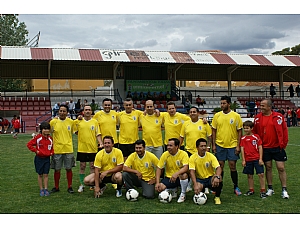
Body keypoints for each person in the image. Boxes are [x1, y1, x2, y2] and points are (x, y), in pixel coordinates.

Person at [253, 98, 289, 199]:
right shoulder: (257, 118)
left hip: (278, 147)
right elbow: (255, 133)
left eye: (263, 106)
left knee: (281, 168)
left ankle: (284, 189)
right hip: (265, 148)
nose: (261, 107)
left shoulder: (278, 117)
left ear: (269, 107)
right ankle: (270, 188)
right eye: (260, 105)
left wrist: (283, 144)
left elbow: (284, 131)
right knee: (268, 168)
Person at [211, 95, 243, 196]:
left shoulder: (236, 116)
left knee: (232, 165)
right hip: (220, 145)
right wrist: (214, 144)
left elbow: (239, 131)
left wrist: (238, 146)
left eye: (224, 103)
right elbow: (214, 130)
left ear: (229, 104)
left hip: (232, 145)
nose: (222, 105)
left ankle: (236, 186)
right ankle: (219, 186)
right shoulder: (217, 116)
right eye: (221, 103)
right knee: (220, 166)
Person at [73, 105, 103, 193]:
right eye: (86, 110)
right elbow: (76, 132)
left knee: (92, 166)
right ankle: (82, 184)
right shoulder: (78, 122)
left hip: (92, 148)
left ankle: (91, 183)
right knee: (82, 166)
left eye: (89, 110)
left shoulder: (95, 122)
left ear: (91, 112)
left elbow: (98, 134)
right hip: (82, 148)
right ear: (83, 111)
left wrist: (100, 142)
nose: (87, 111)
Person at [49, 104, 75, 194]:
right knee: (57, 169)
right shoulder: (53, 122)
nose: (62, 113)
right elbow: (48, 133)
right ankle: (56, 187)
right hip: (57, 149)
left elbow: (75, 132)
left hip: (68, 149)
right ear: (58, 111)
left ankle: (70, 186)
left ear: (67, 112)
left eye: (64, 111)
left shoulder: (71, 122)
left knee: (69, 168)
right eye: (60, 111)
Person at [189, 138, 223, 205]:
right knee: (198, 188)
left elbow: (218, 168)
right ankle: (202, 193)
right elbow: (192, 172)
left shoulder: (210, 156)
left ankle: (217, 197)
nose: (204, 148)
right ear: (197, 147)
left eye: (205, 146)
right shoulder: (193, 157)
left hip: (210, 178)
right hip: (200, 179)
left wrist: (217, 177)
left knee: (219, 179)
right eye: (201, 146)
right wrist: (195, 185)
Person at [155, 138, 189, 203]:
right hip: (169, 178)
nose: (168, 147)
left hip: (180, 177)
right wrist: (157, 182)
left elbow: (186, 168)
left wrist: (177, 174)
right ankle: (173, 189)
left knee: (184, 175)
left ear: (177, 147)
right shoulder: (165, 154)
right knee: (160, 188)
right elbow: (159, 168)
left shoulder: (183, 154)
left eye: (171, 146)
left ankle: (183, 194)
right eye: (167, 145)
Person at [240, 121, 266, 198]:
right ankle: (251, 190)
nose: (246, 130)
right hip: (248, 159)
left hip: (256, 158)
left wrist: (260, 158)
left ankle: (263, 190)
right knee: (249, 175)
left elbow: (260, 147)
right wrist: (243, 160)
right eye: (244, 128)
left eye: (247, 128)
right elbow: (242, 149)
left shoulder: (256, 137)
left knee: (260, 174)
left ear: (251, 128)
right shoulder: (243, 138)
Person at [27, 122, 54, 196]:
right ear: (41, 130)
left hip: (47, 159)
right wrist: (36, 151)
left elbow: (52, 148)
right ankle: (41, 189)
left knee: (46, 174)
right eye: (44, 129)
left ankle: (46, 188)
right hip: (39, 159)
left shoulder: (50, 139)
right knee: (40, 174)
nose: (46, 130)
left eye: (47, 129)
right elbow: (29, 144)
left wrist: (51, 153)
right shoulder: (38, 138)